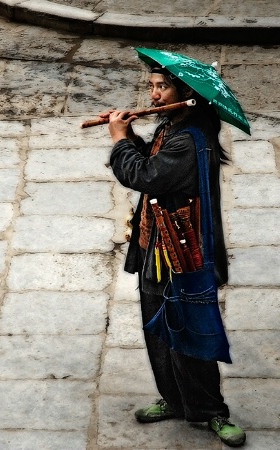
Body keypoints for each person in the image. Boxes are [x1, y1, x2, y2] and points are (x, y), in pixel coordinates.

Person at [102, 66, 246, 448]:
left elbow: (146, 176)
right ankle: (175, 400)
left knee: (190, 329)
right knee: (159, 326)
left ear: (186, 93)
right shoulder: (170, 126)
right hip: (157, 245)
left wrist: (119, 141)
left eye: (162, 87)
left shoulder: (190, 138)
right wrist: (131, 134)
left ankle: (211, 411)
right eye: (151, 87)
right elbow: (151, 164)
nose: (154, 96)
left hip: (185, 251)